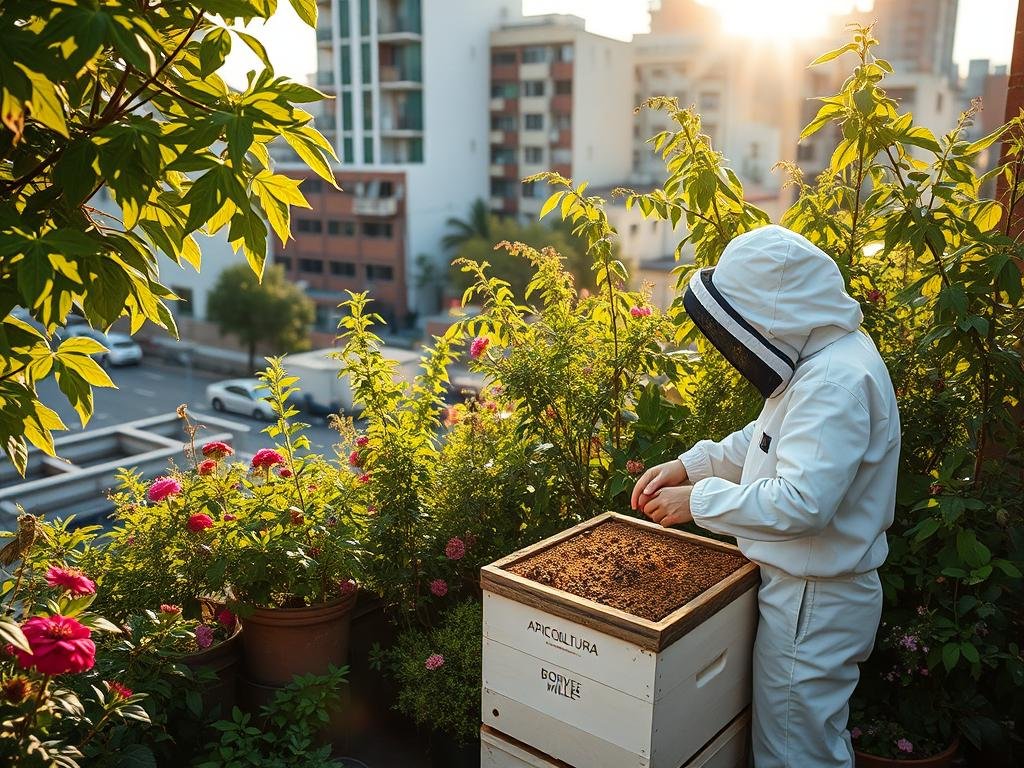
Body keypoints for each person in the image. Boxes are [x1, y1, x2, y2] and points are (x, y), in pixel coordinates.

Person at [631, 225, 900, 768]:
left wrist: (697, 500)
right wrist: (694, 462)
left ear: (772, 313)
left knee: (794, 753)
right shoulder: (828, 360)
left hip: (813, 601)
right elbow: (769, 438)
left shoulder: (833, 383)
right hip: (815, 595)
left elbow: (801, 501)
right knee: (808, 739)